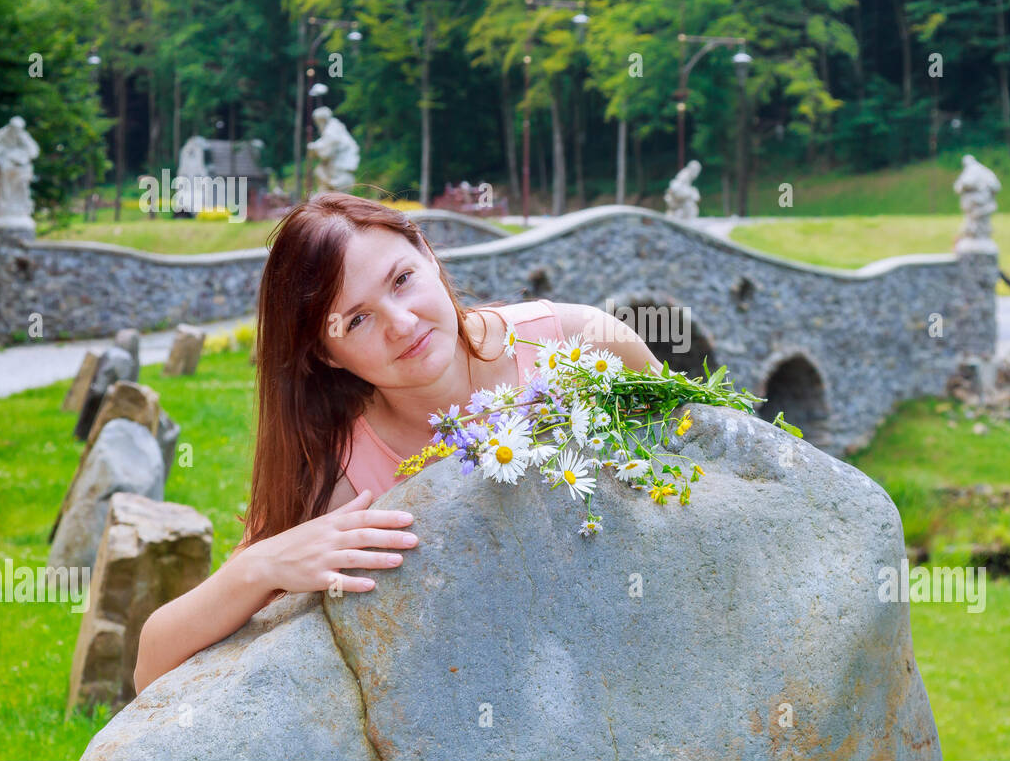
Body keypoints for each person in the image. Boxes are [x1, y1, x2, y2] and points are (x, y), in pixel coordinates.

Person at [133, 192, 660, 694]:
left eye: (403, 279)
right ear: (327, 355)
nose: (402, 324)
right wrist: (261, 564)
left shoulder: (580, 344)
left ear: (428, 255)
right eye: (358, 319)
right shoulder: (341, 478)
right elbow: (151, 668)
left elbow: (710, 453)